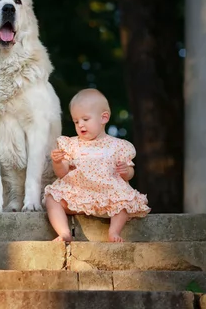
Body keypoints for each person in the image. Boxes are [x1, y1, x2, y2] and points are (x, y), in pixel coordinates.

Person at [43, 88, 150, 242]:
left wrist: (126, 171)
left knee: (126, 201)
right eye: (76, 121)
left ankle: (114, 232)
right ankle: (64, 233)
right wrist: (58, 162)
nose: (80, 125)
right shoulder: (71, 144)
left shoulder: (118, 146)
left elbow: (129, 174)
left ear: (104, 118)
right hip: (77, 194)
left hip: (108, 197)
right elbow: (62, 173)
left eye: (85, 119)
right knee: (52, 198)